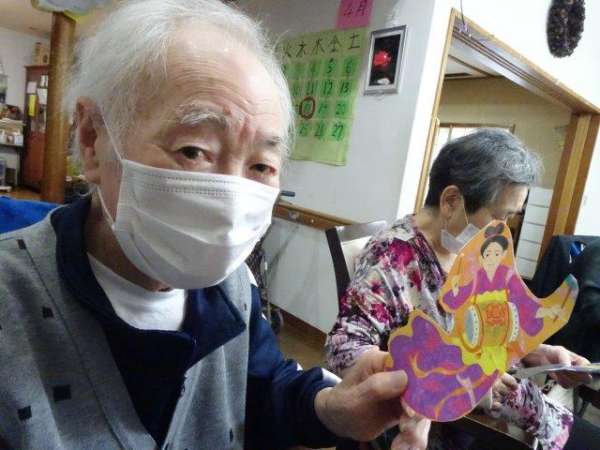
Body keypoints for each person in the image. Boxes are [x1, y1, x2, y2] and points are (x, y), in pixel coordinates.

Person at [0, 1, 430, 449]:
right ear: (92, 139)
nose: (229, 201)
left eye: (261, 166)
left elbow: (260, 387)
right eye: (193, 150)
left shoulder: (234, 288)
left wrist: (330, 409)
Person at [325, 129, 600, 450]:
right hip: (458, 423)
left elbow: (479, 329)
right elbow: (343, 349)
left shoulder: (470, 252)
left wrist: (538, 353)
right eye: (499, 216)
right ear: (451, 201)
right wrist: (463, 381)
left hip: (518, 401)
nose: (503, 229)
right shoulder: (395, 257)